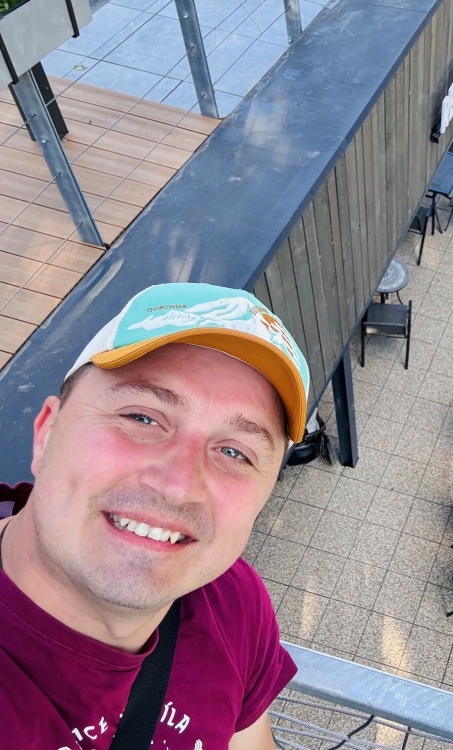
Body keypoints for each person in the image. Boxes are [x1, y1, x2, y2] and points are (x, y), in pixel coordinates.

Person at [0, 282, 312, 747]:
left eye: (234, 451)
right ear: (47, 434)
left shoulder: (233, 604)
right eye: (142, 418)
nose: (179, 485)